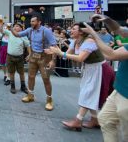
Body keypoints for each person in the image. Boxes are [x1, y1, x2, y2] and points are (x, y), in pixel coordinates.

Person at [46, 23, 114, 132]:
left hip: (99, 69)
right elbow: (66, 55)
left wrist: (61, 53)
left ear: (81, 32)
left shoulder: (89, 41)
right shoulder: (75, 41)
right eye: (71, 29)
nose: (70, 31)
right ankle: (95, 120)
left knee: (87, 94)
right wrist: (55, 53)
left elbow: (80, 58)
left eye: (73, 29)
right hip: (90, 69)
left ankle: (78, 120)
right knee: (89, 93)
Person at [88, 14, 128, 142]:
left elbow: (111, 54)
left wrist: (94, 34)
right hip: (119, 90)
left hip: (126, 97)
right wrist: (108, 20)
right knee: (105, 119)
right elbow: (120, 31)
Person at [11, 14, 57, 111]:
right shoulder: (29, 30)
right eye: (31, 21)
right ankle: (30, 95)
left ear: (39, 22)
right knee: (31, 77)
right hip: (33, 56)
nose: (31, 23)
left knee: (46, 79)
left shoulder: (46, 31)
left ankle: (49, 100)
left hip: (44, 57)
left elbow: (54, 46)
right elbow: (17, 34)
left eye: (33, 21)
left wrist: (53, 60)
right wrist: (10, 27)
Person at [2, 23, 30, 94]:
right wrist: (2, 23)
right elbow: (2, 30)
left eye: (17, 26)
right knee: (11, 72)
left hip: (20, 57)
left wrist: (30, 54)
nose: (14, 27)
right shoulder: (10, 33)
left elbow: (28, 45)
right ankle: (12, 86)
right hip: (10, 56)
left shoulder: (23, 35)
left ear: (21, 28)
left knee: (21, 73)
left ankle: (23, 86)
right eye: (14, 26)